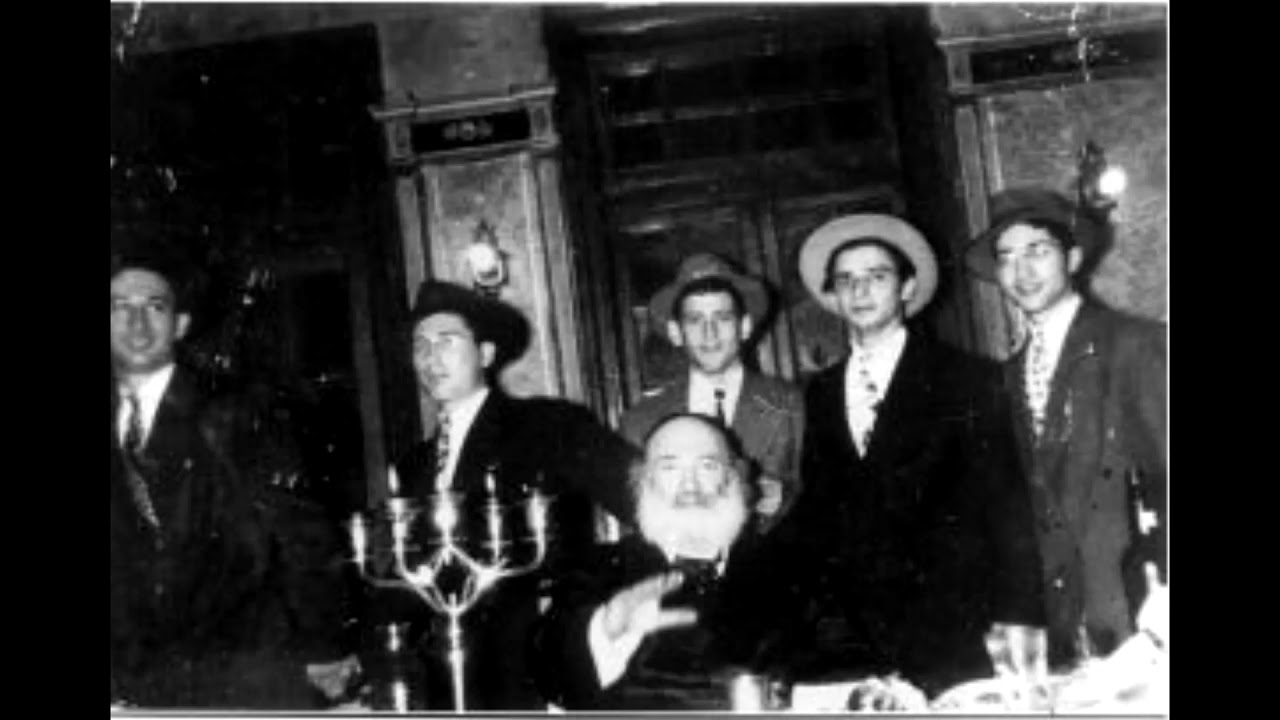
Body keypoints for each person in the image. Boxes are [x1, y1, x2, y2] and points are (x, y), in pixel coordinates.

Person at [773, 213, 1046, 696]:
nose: (860, 291)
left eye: (876, 276)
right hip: (857, 636)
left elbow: (1007, 505)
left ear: (907, 287)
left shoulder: (967, 378)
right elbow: (819, 508)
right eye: (846, 280)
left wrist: (1019, 616)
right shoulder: (821, 391)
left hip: (956, 625)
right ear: (833, 297)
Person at [109, 248, 351, 708]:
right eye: (120, 307)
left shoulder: (235, 411)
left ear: (180, 325)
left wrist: (325, 644)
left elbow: (303, 535)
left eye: (154, 307)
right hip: (134, 677)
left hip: (241, 671)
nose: (136, 323)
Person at [385, 280, 640, 710]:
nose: (430, 358)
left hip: (536, 666)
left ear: (485, 354)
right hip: (450, 677)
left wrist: (599, 599)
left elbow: (642, 496)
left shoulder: (547, 426)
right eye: (420, 346)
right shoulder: (412, 465)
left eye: (446, 342)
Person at [965, 187, 1167, 666]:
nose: (1022, 271)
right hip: (1067, 624)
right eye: (1007, 258)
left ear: (1073, 258)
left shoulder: (1136, 345)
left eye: (1038, 251)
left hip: (1142, 613)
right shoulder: (1006, 375)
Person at [532, 414, 798, 710]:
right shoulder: (599, 569)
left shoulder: (787, 568)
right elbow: (549, 675)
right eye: (670, 467)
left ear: (733, 478)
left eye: (707, 465)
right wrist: (604, 629)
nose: (689, 484)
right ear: (644, 482)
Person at [619, 254, 804, 532]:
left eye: (722, 318)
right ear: (676, 332)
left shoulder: (792, 404)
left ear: (744, 326)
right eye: (695, 320)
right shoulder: (640, 422)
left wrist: (786, 498)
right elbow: (636, 520)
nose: (710, 333)